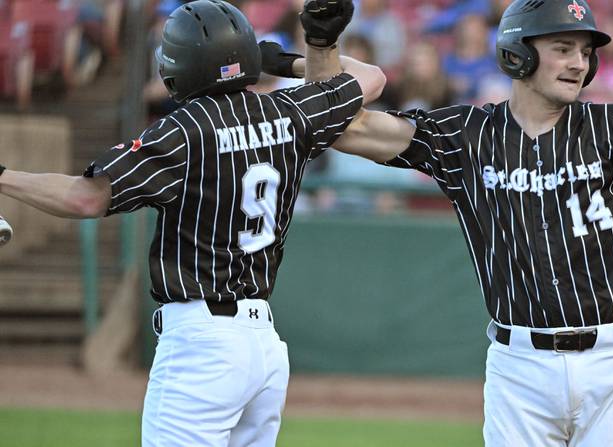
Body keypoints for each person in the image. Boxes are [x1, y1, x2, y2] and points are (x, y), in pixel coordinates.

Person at [267, 0, 613, 445]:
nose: (578, 62)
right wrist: (322, 47)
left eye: (584, 51)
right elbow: (348, 127)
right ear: (518, 55)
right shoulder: (467, 136)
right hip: (519, 365)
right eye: (562, 49)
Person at [0, 0, 385, 446]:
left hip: (202, 342)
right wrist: (289, 60)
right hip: (263, 344)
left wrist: (5, 177)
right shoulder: (289, 112)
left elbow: (85, 198)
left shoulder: (183, 130)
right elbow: (371, 79)